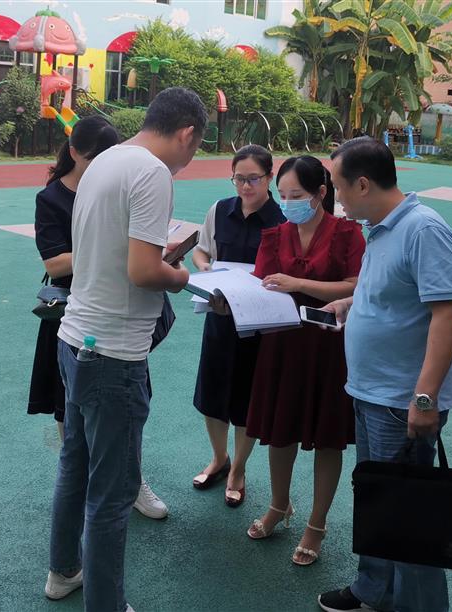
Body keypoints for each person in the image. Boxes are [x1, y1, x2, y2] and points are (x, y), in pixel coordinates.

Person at [44, 87, 207, 611]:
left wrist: (158, 258)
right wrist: (180, 276)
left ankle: (63, 571)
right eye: (195, 148)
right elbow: (143, 272)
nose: (189, 159)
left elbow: (114, 251)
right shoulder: (153, 173)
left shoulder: (105, 161)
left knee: (75, 468)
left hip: (75, 338)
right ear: (187, 134)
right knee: (112, 495)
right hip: (114, 352)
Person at [317, 137, 452, 612]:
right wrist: (350, 303)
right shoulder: (379, 229)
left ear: (363, 184)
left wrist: (424, 399)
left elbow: (447, 316)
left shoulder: (424, 229)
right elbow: (388, 293)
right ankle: (373, 590)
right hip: (371, 392)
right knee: (378, 501)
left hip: (402, 401)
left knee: (407, 516)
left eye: (338, 187)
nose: (336, 198)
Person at [27, 116, 168, 523]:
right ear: (73, 152)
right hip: (71, 313)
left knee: (127, 402)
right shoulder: (51, 198)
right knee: (67, 405)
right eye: (94, 158)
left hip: (117, 314)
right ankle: (78, 479)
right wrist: (110, 249)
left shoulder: (113, 183)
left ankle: (132, 480)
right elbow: (54, 264)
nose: (103, 165)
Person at [244, 155, 366, 566]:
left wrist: (297, 283)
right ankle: (278, 505)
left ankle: (317, 523)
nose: (287, 203)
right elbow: (260, 286)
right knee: (279, 432)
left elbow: (356, 285)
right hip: (281, 346)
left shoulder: (347, 234)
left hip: (329, 347)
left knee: (327, 436)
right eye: (282, 195)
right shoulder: (274, 235)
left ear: (320, 193)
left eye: (296, 195)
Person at [191, 145, 285, 507]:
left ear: (269, 177)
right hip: (219, 315)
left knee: (247, 399)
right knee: (212, 394)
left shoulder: (281, 220)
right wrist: (206, 269)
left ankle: (238, 470)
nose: (246, 186)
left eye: (253, 179)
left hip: (258, 323)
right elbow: (202, 250)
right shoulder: (219, 210)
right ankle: (219, 459)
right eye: (239, 179)